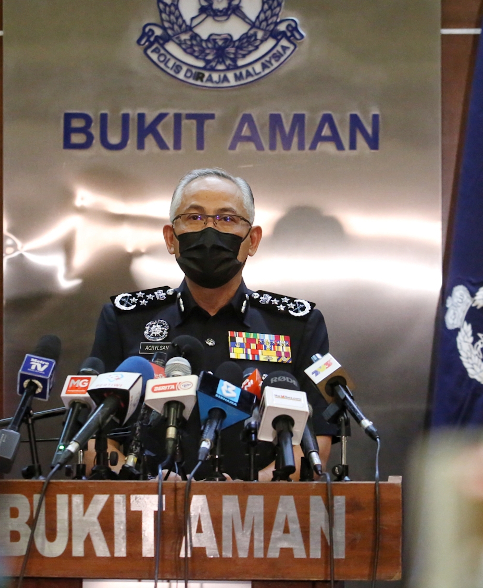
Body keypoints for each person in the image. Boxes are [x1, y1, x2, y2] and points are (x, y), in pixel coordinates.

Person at [89, 167, 335, 480]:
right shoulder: (125, 319)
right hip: (146, 503)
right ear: (171, 238)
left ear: (253, 240)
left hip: (260, 506)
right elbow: (94, 438)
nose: (209, 231)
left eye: (227, 219)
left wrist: (247, 493)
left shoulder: (297, 325)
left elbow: (318, 441)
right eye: (194, 217)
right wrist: (144, 486)